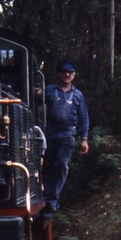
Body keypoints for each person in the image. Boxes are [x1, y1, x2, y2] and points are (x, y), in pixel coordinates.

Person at [42, 60, 89, 216]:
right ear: (59, 74)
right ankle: (46, 198)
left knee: (62, 164)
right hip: (50, 133)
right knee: (47, 166)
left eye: (70, 72)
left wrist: (84, 138)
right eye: (64, 72)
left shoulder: (77, 95)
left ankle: (53, 200)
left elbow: (83, 117)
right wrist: (35, 94)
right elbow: (35, 104)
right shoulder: (49, 90)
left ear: (73, 75)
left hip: (68, 134)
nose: (67, 75)